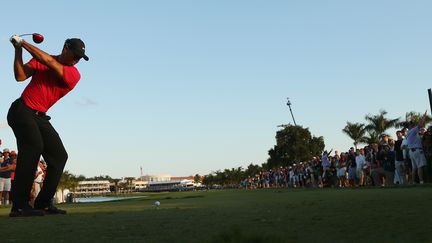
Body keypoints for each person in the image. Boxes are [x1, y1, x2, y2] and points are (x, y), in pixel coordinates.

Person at [8, 35, 89, 217]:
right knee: (33, 148)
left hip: (40, 116)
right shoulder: (41, 59)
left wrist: (23, 42)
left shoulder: (73, 73)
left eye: (79, 58)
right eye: (74, 55)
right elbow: (20, 76)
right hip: (22, 110)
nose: (76, 60)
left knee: (59, 156)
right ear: (65, 48)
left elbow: (48, 61)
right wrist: (18, 50)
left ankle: (43, 203)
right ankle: (19, 206)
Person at [405, 113, 428, 184]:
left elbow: (420, 126)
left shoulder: (409, 132)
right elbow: (420, 125)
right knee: (420, 166)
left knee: (414, 168)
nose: (414, 125)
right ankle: (421, 181)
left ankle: (413, 181)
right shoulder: (413, 130)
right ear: (411, 126)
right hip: (417, 151)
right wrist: (424, 116)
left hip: (412, 152)